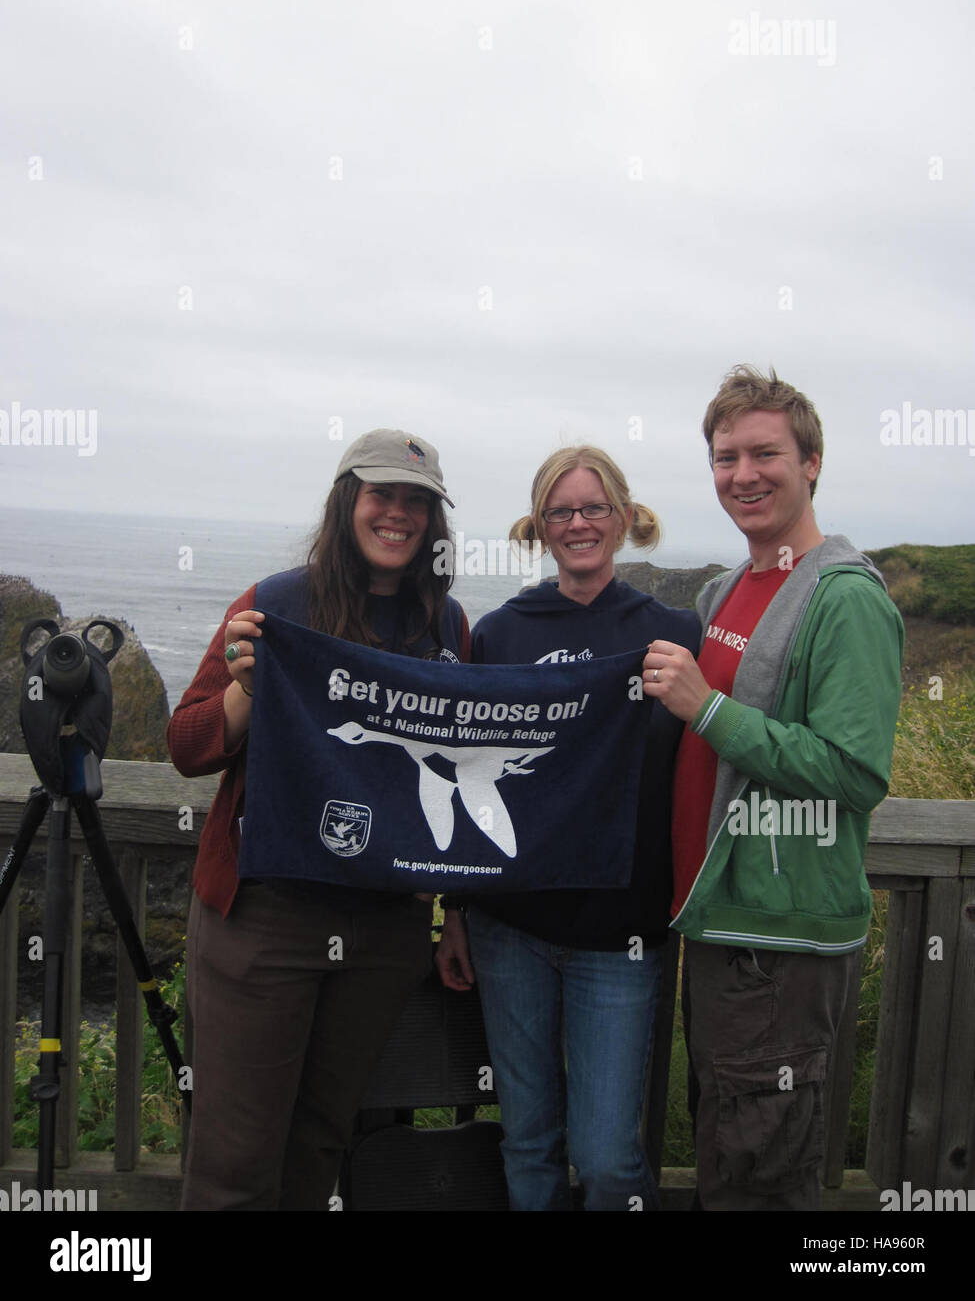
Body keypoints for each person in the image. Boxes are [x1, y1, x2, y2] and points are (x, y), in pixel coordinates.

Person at [168, 429, 470, 1210]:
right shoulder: (272, 605)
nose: (397, 514)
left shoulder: (449, 628)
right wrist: (246, 688)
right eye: (381, 495)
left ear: (433, 521)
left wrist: (457, 910)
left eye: (416, 502)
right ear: (347, 504)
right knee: (234, 1157)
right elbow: (189, 747)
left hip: (382, 928)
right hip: (265, 918)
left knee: (319, 1143)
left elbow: (463, 771)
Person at [642, 366, 903, 1211]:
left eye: (765, 454)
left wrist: (706, 707)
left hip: (779, 940)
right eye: (724, 458)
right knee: (727, 1141)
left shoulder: (844, 598)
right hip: (719, 920)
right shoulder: (725, 588)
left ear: (812, 462)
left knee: (758, 1168)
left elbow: (852, 774)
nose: (742, 475)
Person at [435, 446, 698, 1211]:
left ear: (621, 517)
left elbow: (704, 767)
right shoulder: (499, 634)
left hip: (622, 934)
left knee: (609, 1159)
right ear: (539, 526)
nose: (577, 523)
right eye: (560, 511)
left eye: (592, 508)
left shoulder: (673, 630)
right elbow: (464, 771)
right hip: (509, 927)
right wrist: (455, 911)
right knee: (528, 1144)